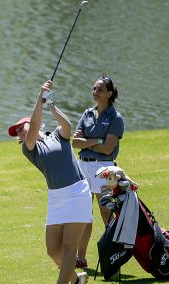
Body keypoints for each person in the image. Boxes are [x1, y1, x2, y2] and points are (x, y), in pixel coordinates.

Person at [8, 80, 93, 284]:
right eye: (17, 132)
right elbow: (34, 124)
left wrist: (51, 105)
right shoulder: (30, 149)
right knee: (52, 249)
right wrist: (39, 97)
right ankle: (76, 280)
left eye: (20, 127)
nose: (19, 132)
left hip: (77, 192)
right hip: (56, 198)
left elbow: (67, 126)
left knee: (68, 248)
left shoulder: (57, 135)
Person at [72, 76, 125, 270]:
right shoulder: (87, 114)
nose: (95, 92)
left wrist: (88, 140)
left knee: (106, 212)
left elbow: (108, 148)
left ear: (109, 94)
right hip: (83, 166)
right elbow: (74, 142)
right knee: (84, 213)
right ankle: (81, 258)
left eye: (100, 89)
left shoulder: (115, 118)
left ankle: (113, 256)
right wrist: (97, 141)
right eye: (94, 89)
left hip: (104, 168)